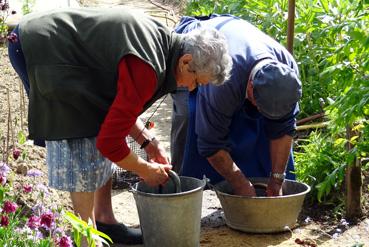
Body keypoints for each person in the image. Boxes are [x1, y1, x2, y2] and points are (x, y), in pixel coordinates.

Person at [7, 7, 232, 246]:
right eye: (196, 81)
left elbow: (118, 108)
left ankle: (104, 222)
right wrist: (144, 169)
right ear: (186, 61)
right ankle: (87, 237)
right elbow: (109, 142)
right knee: (81, 137)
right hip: (43, 48)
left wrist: (148, 143)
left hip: (63, 49)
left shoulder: (166, 49)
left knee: (99, 123)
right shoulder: (148, 66)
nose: (192, 88)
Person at [170, 14, 302, 197]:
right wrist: (240, 184)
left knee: (261, 129)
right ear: (250, 86)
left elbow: (284, 128)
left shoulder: (288, 72)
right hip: (197, 54)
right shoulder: (223, 83)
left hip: (236, 53)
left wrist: (277, 180)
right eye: (258, 105)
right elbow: (210, 143)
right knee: (189, 117)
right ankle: (179, 188)